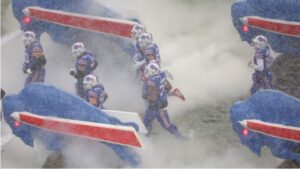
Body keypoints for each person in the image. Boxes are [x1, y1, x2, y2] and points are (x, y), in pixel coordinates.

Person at [142, 62, 183, 138]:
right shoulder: (161, 75)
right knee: (146, 123)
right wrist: (162, 92)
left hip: (157, 108)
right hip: (159, 105)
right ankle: (144, 137)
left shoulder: (152, 81)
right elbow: (169, 87)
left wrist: (146, 96)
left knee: (165, 125)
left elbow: (152, 98)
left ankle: (181, 138)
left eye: (147, 71)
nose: (146, 73)